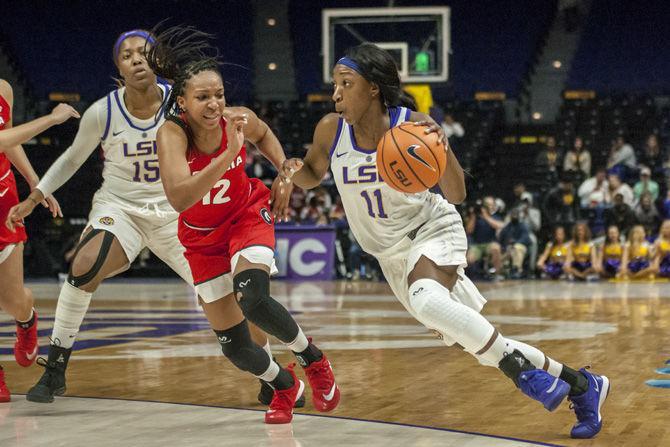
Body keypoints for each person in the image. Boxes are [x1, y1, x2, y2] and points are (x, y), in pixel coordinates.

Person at [288, 43, 608, 439]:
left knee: (429, 300)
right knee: (475, 342)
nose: (335, 92)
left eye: (346, 83)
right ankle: (582, 384)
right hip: (391, 256)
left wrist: (442, 148)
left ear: (372, 88)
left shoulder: (412, 124)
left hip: (432, 228)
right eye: (334, 84)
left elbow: (456, 194)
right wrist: (286, 167)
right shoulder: (330, 130)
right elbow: (311, 173)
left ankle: (524, 376)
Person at [5, 30, 291, 408]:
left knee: (240, 299)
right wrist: (37, 194)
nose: (136, 59)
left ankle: (269, 373)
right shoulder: (103, 112)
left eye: (143, 53)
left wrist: (282, 169)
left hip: (180, 211)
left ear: (157, 62)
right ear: (118, 68)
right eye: (127, 55)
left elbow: (232, 124)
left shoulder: (185, 101)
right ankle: (56, 366)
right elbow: (74, 157)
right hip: (121, 209)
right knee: (84, 265)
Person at [147, 25, 338, 424]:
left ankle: (312, 360)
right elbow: (179, 197)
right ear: (182, 101)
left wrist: (282, 173)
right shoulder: (171, 134)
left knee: (251, 295)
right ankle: (284, 385)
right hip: (200, 239)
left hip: (245, 215)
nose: (215, 104)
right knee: (235, 348)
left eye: (219, 94)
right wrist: (228, 155)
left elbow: (265, 133)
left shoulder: (238, 119)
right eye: (202, 97)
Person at [0, 79, 77, 402]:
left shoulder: (3, 88)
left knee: (13, 299)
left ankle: (27, 319)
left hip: (3, 200)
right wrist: (51, 119)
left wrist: (36, 183)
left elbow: (8, 137)